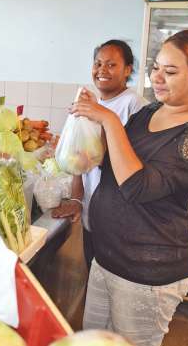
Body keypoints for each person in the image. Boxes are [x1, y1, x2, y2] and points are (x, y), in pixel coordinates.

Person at [72, 29, 188, 346]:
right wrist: (80, 138)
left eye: (169, 72)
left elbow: (137, 186)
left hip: (147, 271)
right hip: (107, 256)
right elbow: (112, 159)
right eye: (155, 68)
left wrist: (109, 120)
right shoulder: (150, 111)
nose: (157, 79)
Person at [51, 40, 148, 270]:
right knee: (95, 285)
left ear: (128, 70)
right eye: (98, 63)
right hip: (93, 218)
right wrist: (76, 200)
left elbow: (129, 163)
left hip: (120, 222)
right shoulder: (91, 103)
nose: (102, 70)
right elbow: (79, 159)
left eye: (112, 64)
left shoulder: (136, 106)